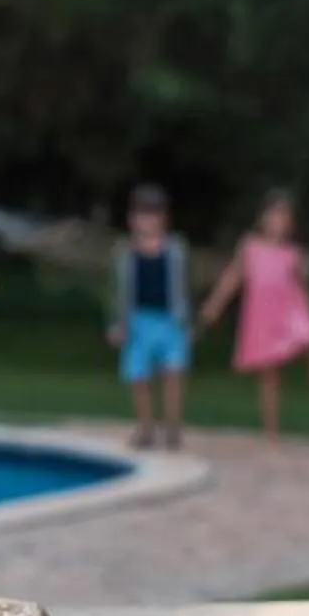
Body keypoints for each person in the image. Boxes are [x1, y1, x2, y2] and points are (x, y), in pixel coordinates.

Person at [202, 189, 309, 441]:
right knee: (269, 373)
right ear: (262, 219)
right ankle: (271, 430)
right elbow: (233, 277)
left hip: (289, 309)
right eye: (273, 216)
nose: (278, 223)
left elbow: (303, 288)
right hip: (262, 315)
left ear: (291, 224)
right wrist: (215, 303)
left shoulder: (292, 253)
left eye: (284, 218)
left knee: (307, 331)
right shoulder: (250, 246)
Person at [105, 183, 190, 451]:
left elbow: (183, 286)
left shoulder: (175, 249)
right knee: (138, 376)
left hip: (169, 319)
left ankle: (173, 427)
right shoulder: (125, 253)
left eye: (153, 215)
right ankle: (146, 427)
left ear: (163, 219)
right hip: (137, 320)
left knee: (173, 372)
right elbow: (117, 291)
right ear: (133, 220)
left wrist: (187, 320)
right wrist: (117, 323)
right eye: (142, 215)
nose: (148, 221)